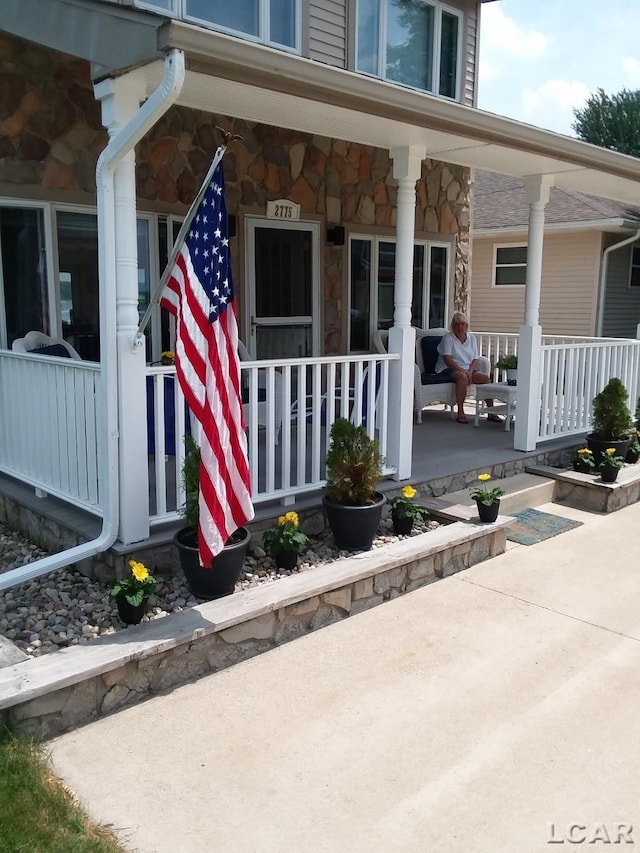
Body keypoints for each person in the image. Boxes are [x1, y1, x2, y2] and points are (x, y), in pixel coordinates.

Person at [435, 312, 500, 424]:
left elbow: (475, 359)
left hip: (466, 369)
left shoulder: (472, 338)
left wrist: (470, 372)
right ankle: (460, 412)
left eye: (463, 324)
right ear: (453, 325)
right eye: (457, 324)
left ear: (467, 325)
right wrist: (463, 371)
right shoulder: (448, 338)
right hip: (447, 369)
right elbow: (448, 360)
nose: (460, 327)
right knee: (462, 377)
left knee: (484, 378)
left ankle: (491, 412)